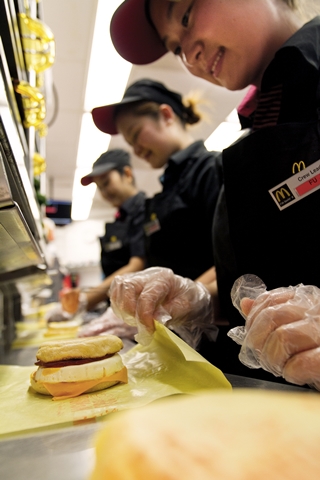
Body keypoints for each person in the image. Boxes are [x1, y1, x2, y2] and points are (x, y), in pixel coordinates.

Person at [104, 0, 320, 388]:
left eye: (185, 17)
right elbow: (272, 276)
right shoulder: (254, 139)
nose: (189, 54)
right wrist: (201, 300)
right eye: (175, 48)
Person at [92, 78, 222, 285]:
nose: (136, 150)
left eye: (136, 135)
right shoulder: (165, 192)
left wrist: (187, 299)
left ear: (166, 115)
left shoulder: (212, 169)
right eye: (130, 143)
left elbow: (236, 253)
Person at [59, 148, 146, 315]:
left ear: (127, 174)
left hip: (141, 310)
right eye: (99, 187)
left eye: (106, 183)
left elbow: (137, 266)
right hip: (122, 310)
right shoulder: (120, 219)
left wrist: (85, 300)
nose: (104, 192)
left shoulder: (144, 211)